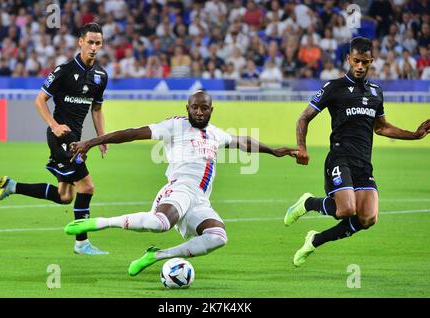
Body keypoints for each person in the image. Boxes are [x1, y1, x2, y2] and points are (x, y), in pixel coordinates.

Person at [65, 90, 298, 276]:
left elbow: (242, 142)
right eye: (194, 107)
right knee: (160, 224)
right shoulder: (175, 126)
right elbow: (133, 133)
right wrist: (92, 142)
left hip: (200, 200)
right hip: (179, 187)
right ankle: (100, 222)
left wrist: (274, 151)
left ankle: (156, 256)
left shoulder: (216, 134)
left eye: (204, 108)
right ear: (187, 108)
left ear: (211, 110)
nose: (199, 112)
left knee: (218, 237)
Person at [285, 37, 430, 267]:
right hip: (339, 157)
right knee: (346, 209)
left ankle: (315, 240)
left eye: (365, 62)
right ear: (348, 59)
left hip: (363, 162)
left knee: (368, 218)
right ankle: (308, 203)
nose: (360, 66)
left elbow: (381, 127)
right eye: (356, 61)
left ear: (372, 61)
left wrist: (415, 134)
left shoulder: (375, 92)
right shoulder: (333, 87)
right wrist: (302, 147)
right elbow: (304, 117)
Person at [0, 23, 109, 255]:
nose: (94, 47)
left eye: (98, 43)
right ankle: (81, 243)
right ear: (80, 42)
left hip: (77, 140)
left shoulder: (101, 76)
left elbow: (96, 109)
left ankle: (12, 186)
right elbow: (40, 100)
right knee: (88, 187)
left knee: (65, 196)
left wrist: (101, 138)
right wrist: (54, 126)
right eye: (90, 42)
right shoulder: (63, 71)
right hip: (62, 139)